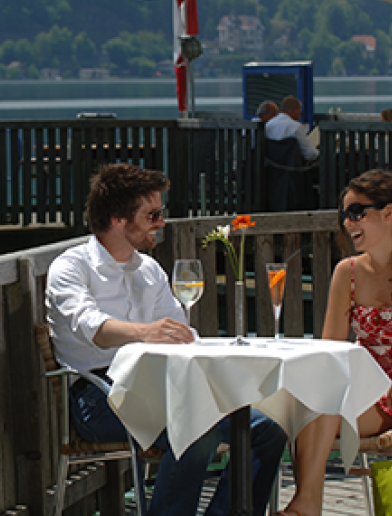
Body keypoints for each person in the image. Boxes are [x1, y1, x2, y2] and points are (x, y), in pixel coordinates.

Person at [46, 163, 287, 516]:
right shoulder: (71, 268)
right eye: (152, 215)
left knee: (267, 428)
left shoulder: (149, 269)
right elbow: (93, 328)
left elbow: (179, 333)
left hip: (163, 387)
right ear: (117, 219)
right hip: (98, 395)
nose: (161, 222)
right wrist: (146, 332)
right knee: (196, 432)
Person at [274, 169, 392, 516]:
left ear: (389, 212)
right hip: (363, 384)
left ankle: (306, 505)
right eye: (344, 215)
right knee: (304, 402)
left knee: (323, 406)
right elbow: (331, 349)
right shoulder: (346, 272)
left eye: (357, 212)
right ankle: (306, 504)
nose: (348, 222)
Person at [266, 96, 319, 162]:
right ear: (294, 109)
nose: (300, 115)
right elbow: (309, 155)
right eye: (300, 112)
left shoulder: (268, 125)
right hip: (292, 167)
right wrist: (319, 152)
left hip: (271, 166)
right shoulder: (296, 127)